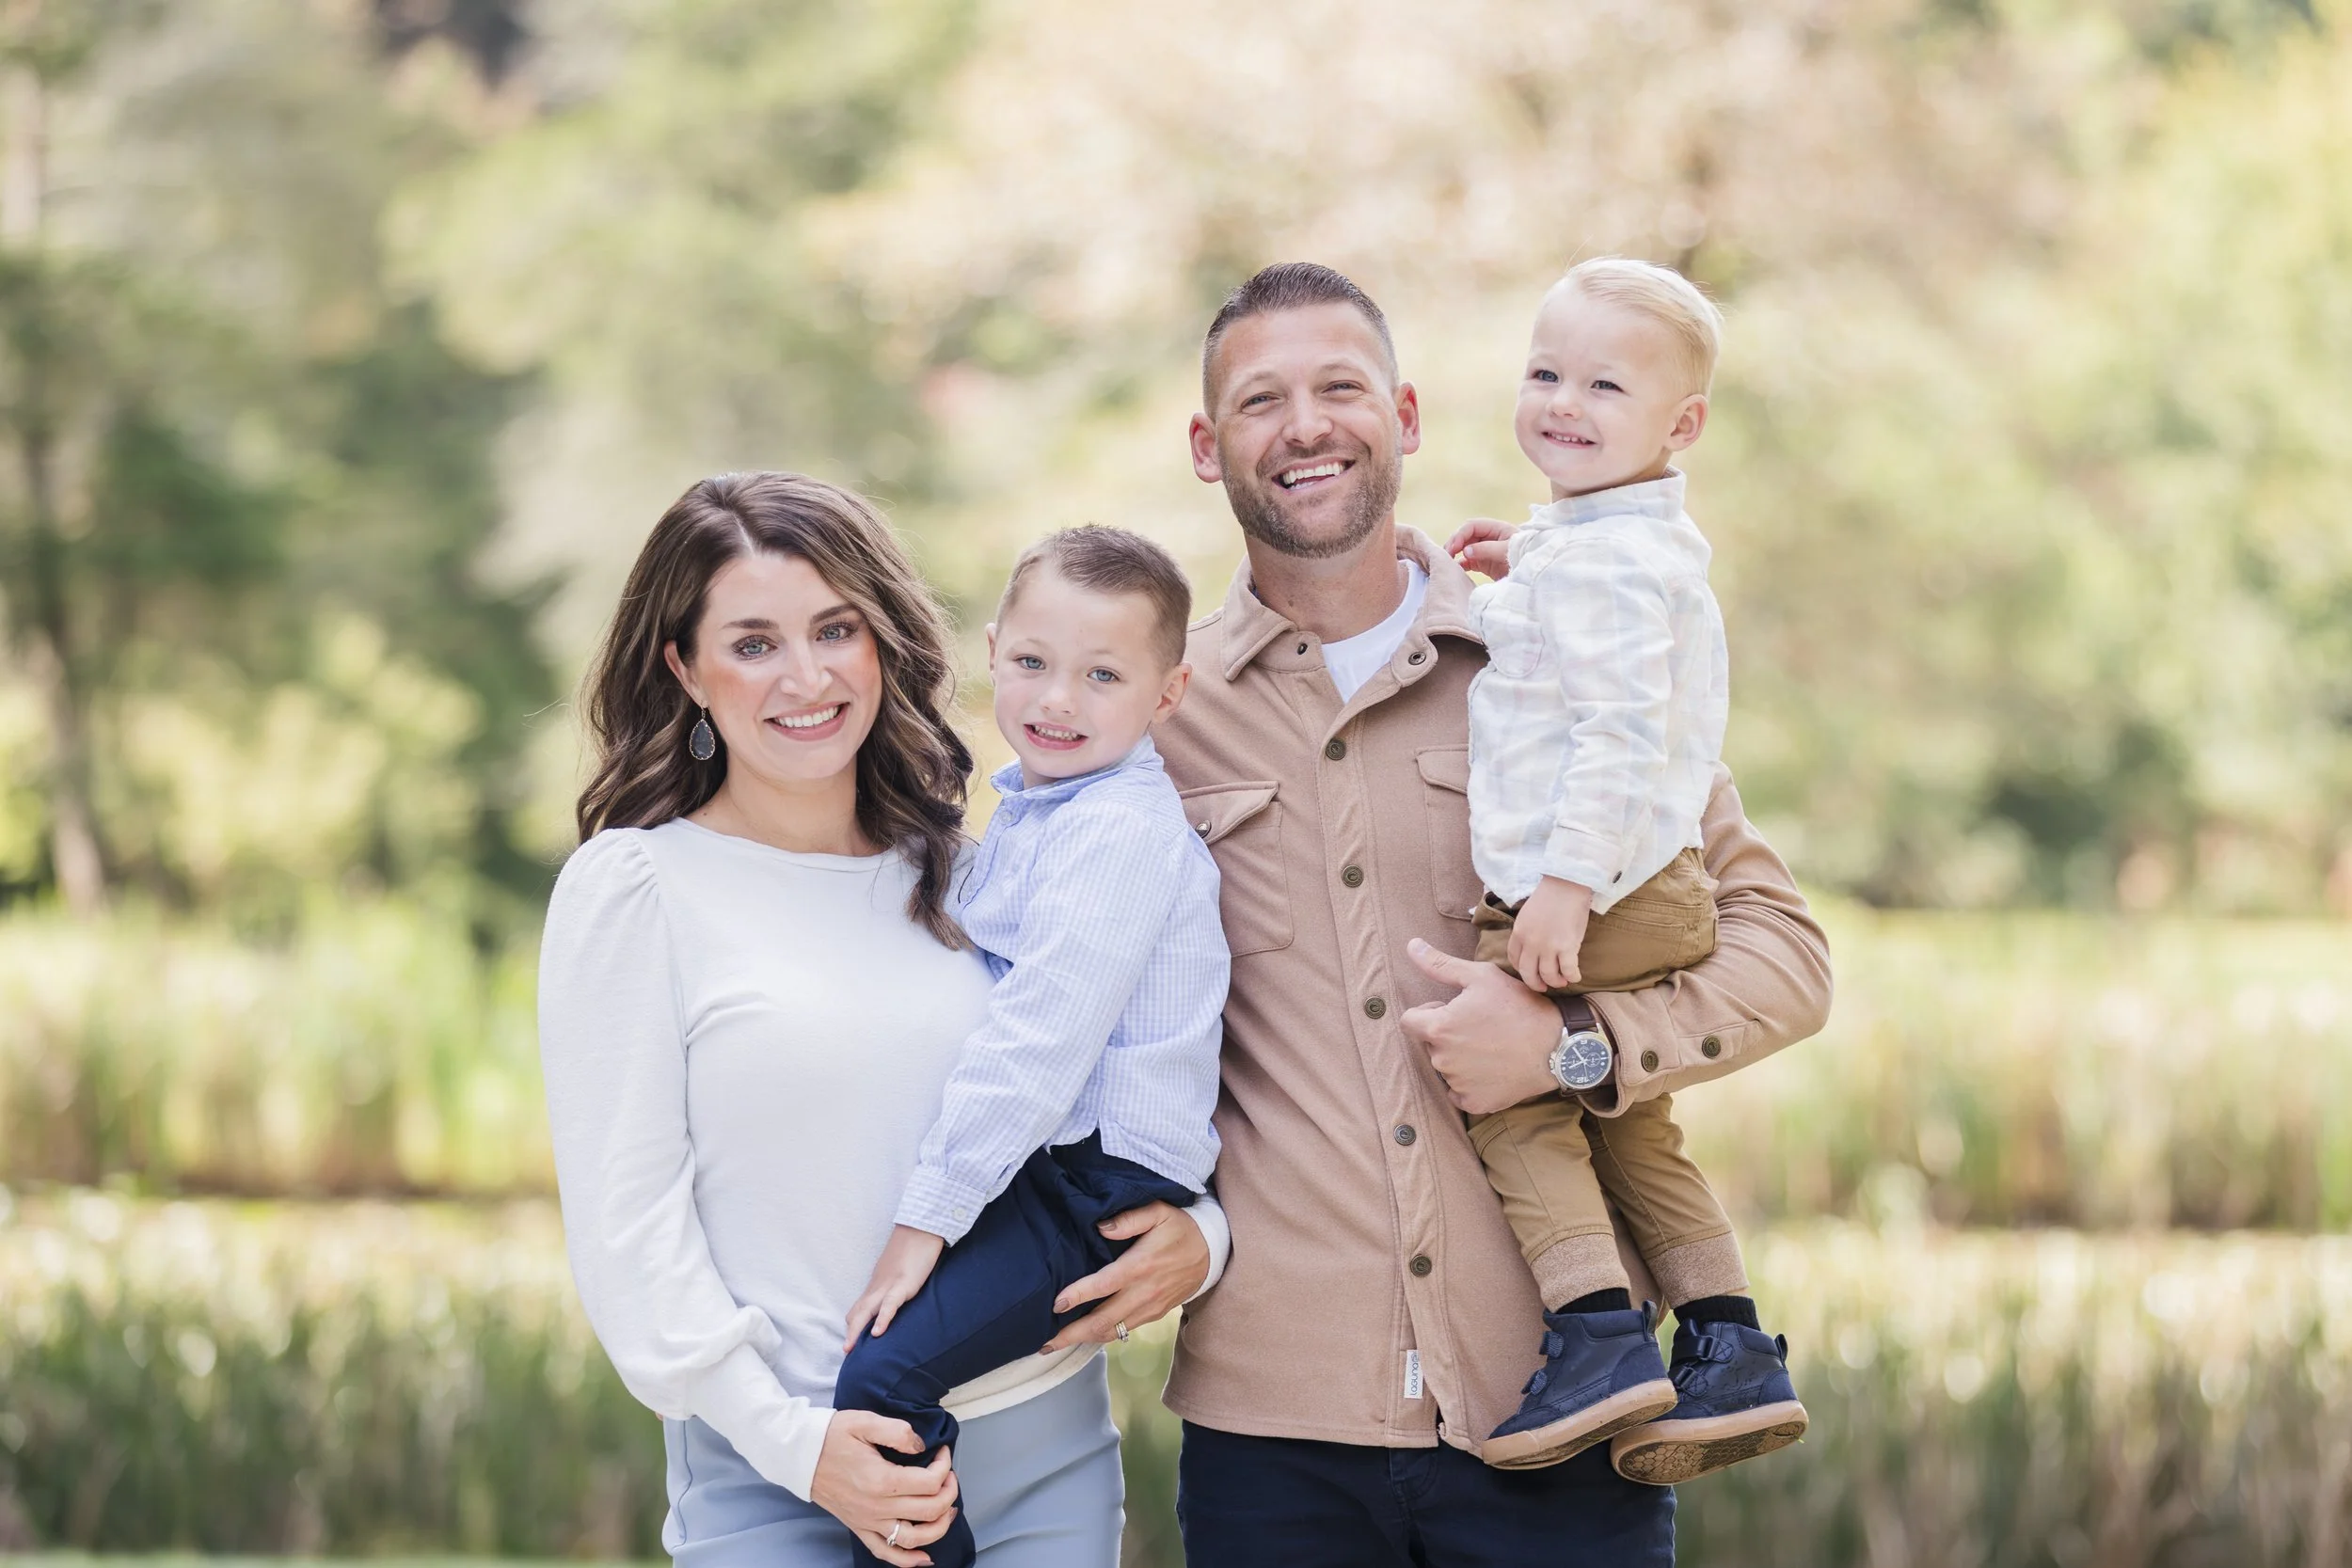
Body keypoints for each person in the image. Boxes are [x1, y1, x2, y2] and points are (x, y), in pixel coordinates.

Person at [1156, 262, 1834, 1567]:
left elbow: (1785, 960)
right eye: (1260, 400)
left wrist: (1571, 1044)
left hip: (1563, 1421)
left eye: (1341, 388)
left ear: (1406, 415)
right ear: (1207, 445)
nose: (1306, 425)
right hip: (1272, 1438)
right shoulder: (1163, 718)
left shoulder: (1576, 660)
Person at [537, 473, 1228, 1568]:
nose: (806, 676)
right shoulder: (638, 888)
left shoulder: (971, 870)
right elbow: (630, 1239)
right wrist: (797, 1445)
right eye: (753, 642)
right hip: (782, 1467)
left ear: (880, 641)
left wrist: (1203, 1236)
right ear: (683, 664)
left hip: (1041, 1454)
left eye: (834, 629)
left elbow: (1135, 1058)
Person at [1439, 257, 1806, 1481]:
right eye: (1544, 372)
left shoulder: (1599, 561)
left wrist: (1562, 886)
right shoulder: (1605, 544)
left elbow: (1614, 735)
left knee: (1515, 1098)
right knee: (1635, 1126)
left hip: (1599, 885)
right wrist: (1513, 580)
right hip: (1646, 885)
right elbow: (1574, 672)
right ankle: (1726, 1335)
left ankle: (1596, 1329)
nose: (1563, 401)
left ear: (1681, 423)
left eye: (1604, 384)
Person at [834, 525, 1228, 1568]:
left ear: (1167, 692)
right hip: (1052, 1162)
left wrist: (925, 1218)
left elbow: (1037, 1043)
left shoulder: (1119, 834)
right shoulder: (1031, 813)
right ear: (996, 649)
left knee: (880, 1379)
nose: (1057, 700)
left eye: (1102, 674)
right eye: (1032, 664)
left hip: (1095, 1181)